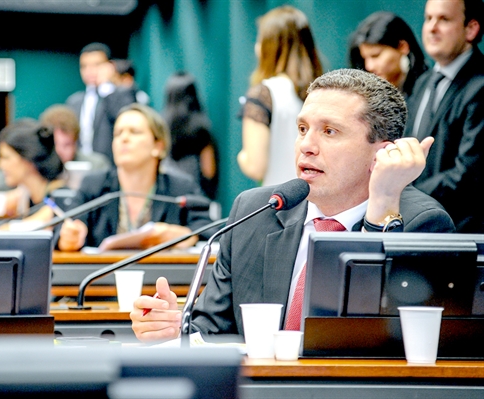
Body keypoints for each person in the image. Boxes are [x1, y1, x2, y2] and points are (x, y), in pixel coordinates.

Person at [130, 68, 455, 343]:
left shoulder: (421, 224)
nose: (306, 146)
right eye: (302, 129)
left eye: (329, 131)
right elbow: (211, 331)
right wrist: (174, 329)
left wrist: (382, 206)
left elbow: (379, 346)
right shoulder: (256, 211)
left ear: (381, 153)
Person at [57, 103, 213, 251]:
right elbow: (64, 229)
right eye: (117, 133)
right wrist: (68, 238)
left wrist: (186, 235)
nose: (123, 138)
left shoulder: (181, 188)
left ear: (158, 146)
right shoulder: (94, 185)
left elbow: (210, 231)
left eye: (134, 132)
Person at [404, 0, 484, 233]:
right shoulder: (423, 82)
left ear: (471, 29)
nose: (431, 27)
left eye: (444, 19)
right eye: (428, 19)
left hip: (461, 234)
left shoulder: (480, 85)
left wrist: (404, 192)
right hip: (417, 226)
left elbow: (468, 174)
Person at [237, 6, 322, 186]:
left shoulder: (263, 93)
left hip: (282, 203)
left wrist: (241, 156)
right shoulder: (322, 92)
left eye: (261, 41)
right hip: (317, 201)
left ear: (270, 47)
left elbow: (255, 166)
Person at [66, 43, 137, 163]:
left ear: (110, 66)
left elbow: (126, 121)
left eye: (96, 65)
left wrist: (105, 86)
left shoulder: (122, 95)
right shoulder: (74, 102)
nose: (89, 71)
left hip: (110, 168)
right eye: (84, 66)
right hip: (79, 166)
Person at [161, 71, 218, 199]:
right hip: (195, 195)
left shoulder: (161, 125)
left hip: (167, 194)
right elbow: (209, 170)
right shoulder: (201, 127)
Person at [349, 11, 429, 97]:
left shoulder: (428, 89)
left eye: (376, 56)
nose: (369, 66)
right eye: (364, 58)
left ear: (402, 47)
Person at [0, 119, 65, 218]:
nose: (1, 165)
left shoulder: (60, 198)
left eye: (6, 157)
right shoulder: (24, 198)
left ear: (29, 157)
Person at [39, 104, 111, 169]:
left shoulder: (97, 167)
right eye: (54, 144)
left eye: (67, 145)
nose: (59, 151)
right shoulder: (35, 169)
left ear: (76, 143)